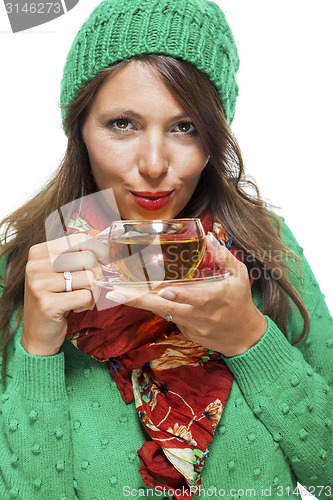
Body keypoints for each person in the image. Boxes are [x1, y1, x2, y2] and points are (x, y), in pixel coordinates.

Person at [0, 0, 332, 498]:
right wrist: (38, 352)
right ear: (80, 128)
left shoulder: (266, 248)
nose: (154, 164)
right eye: (122, 124)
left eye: (185, 127)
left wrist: (249, 339)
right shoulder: (24, 274)